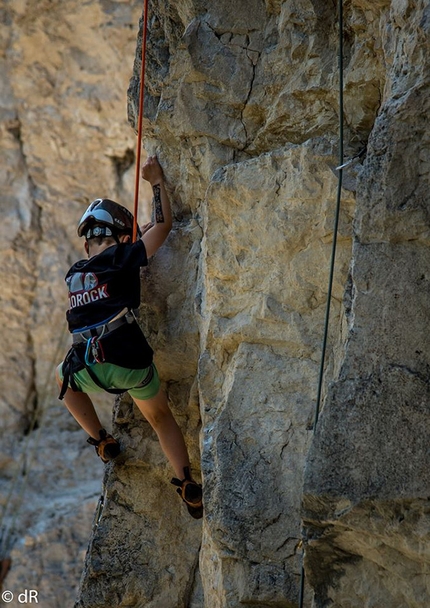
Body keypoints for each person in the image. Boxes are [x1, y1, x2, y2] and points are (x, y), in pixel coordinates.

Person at [55, 155, 202, 519]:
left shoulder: (75, 273)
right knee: (160, 417)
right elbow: (164, 227)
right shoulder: (122, 256)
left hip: (88, 366)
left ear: (88, 242)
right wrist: (154, 181)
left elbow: (111, 265)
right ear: (121, 236)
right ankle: (186, 482)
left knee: (62, 379)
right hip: (128, 360)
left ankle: (101, 440)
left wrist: (131, 240)